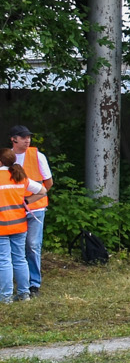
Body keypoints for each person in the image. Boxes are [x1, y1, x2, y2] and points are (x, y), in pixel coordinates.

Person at [10, 126, 50, 297]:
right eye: (23, 137)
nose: (27, 140)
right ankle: (18, 282)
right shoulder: (6, 158)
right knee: (15, 247)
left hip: (35, 208)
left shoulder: (38, 156)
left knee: (32, 245)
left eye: (29, 137)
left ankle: (34, 284)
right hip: (13, 210)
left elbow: (48, 183)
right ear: (13, 139)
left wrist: (29, 201)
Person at [0, 149, 43, 303]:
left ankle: (6, 297)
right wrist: (27, 202)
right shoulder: (19, 176)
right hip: (19, 225)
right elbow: (43, 190)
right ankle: (24, 294)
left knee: (4, 260)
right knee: (20, 259)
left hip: (2, 226)